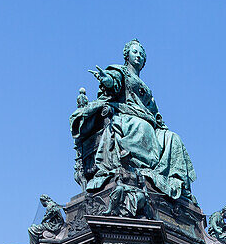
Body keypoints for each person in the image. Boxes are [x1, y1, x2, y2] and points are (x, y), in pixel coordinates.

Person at [73, 39, 196, 202]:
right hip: (127, 115)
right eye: (135, 52)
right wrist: (107, 80)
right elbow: (114, 83)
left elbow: (154, 112)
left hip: (148, 120)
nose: (138, 56)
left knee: (173, 139)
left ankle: (176, 187)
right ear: (127, 55)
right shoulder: (121, 72)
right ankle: (131, 167)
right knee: (142, 127)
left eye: (141, 54)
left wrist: (160, 125)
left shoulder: (146, 87)